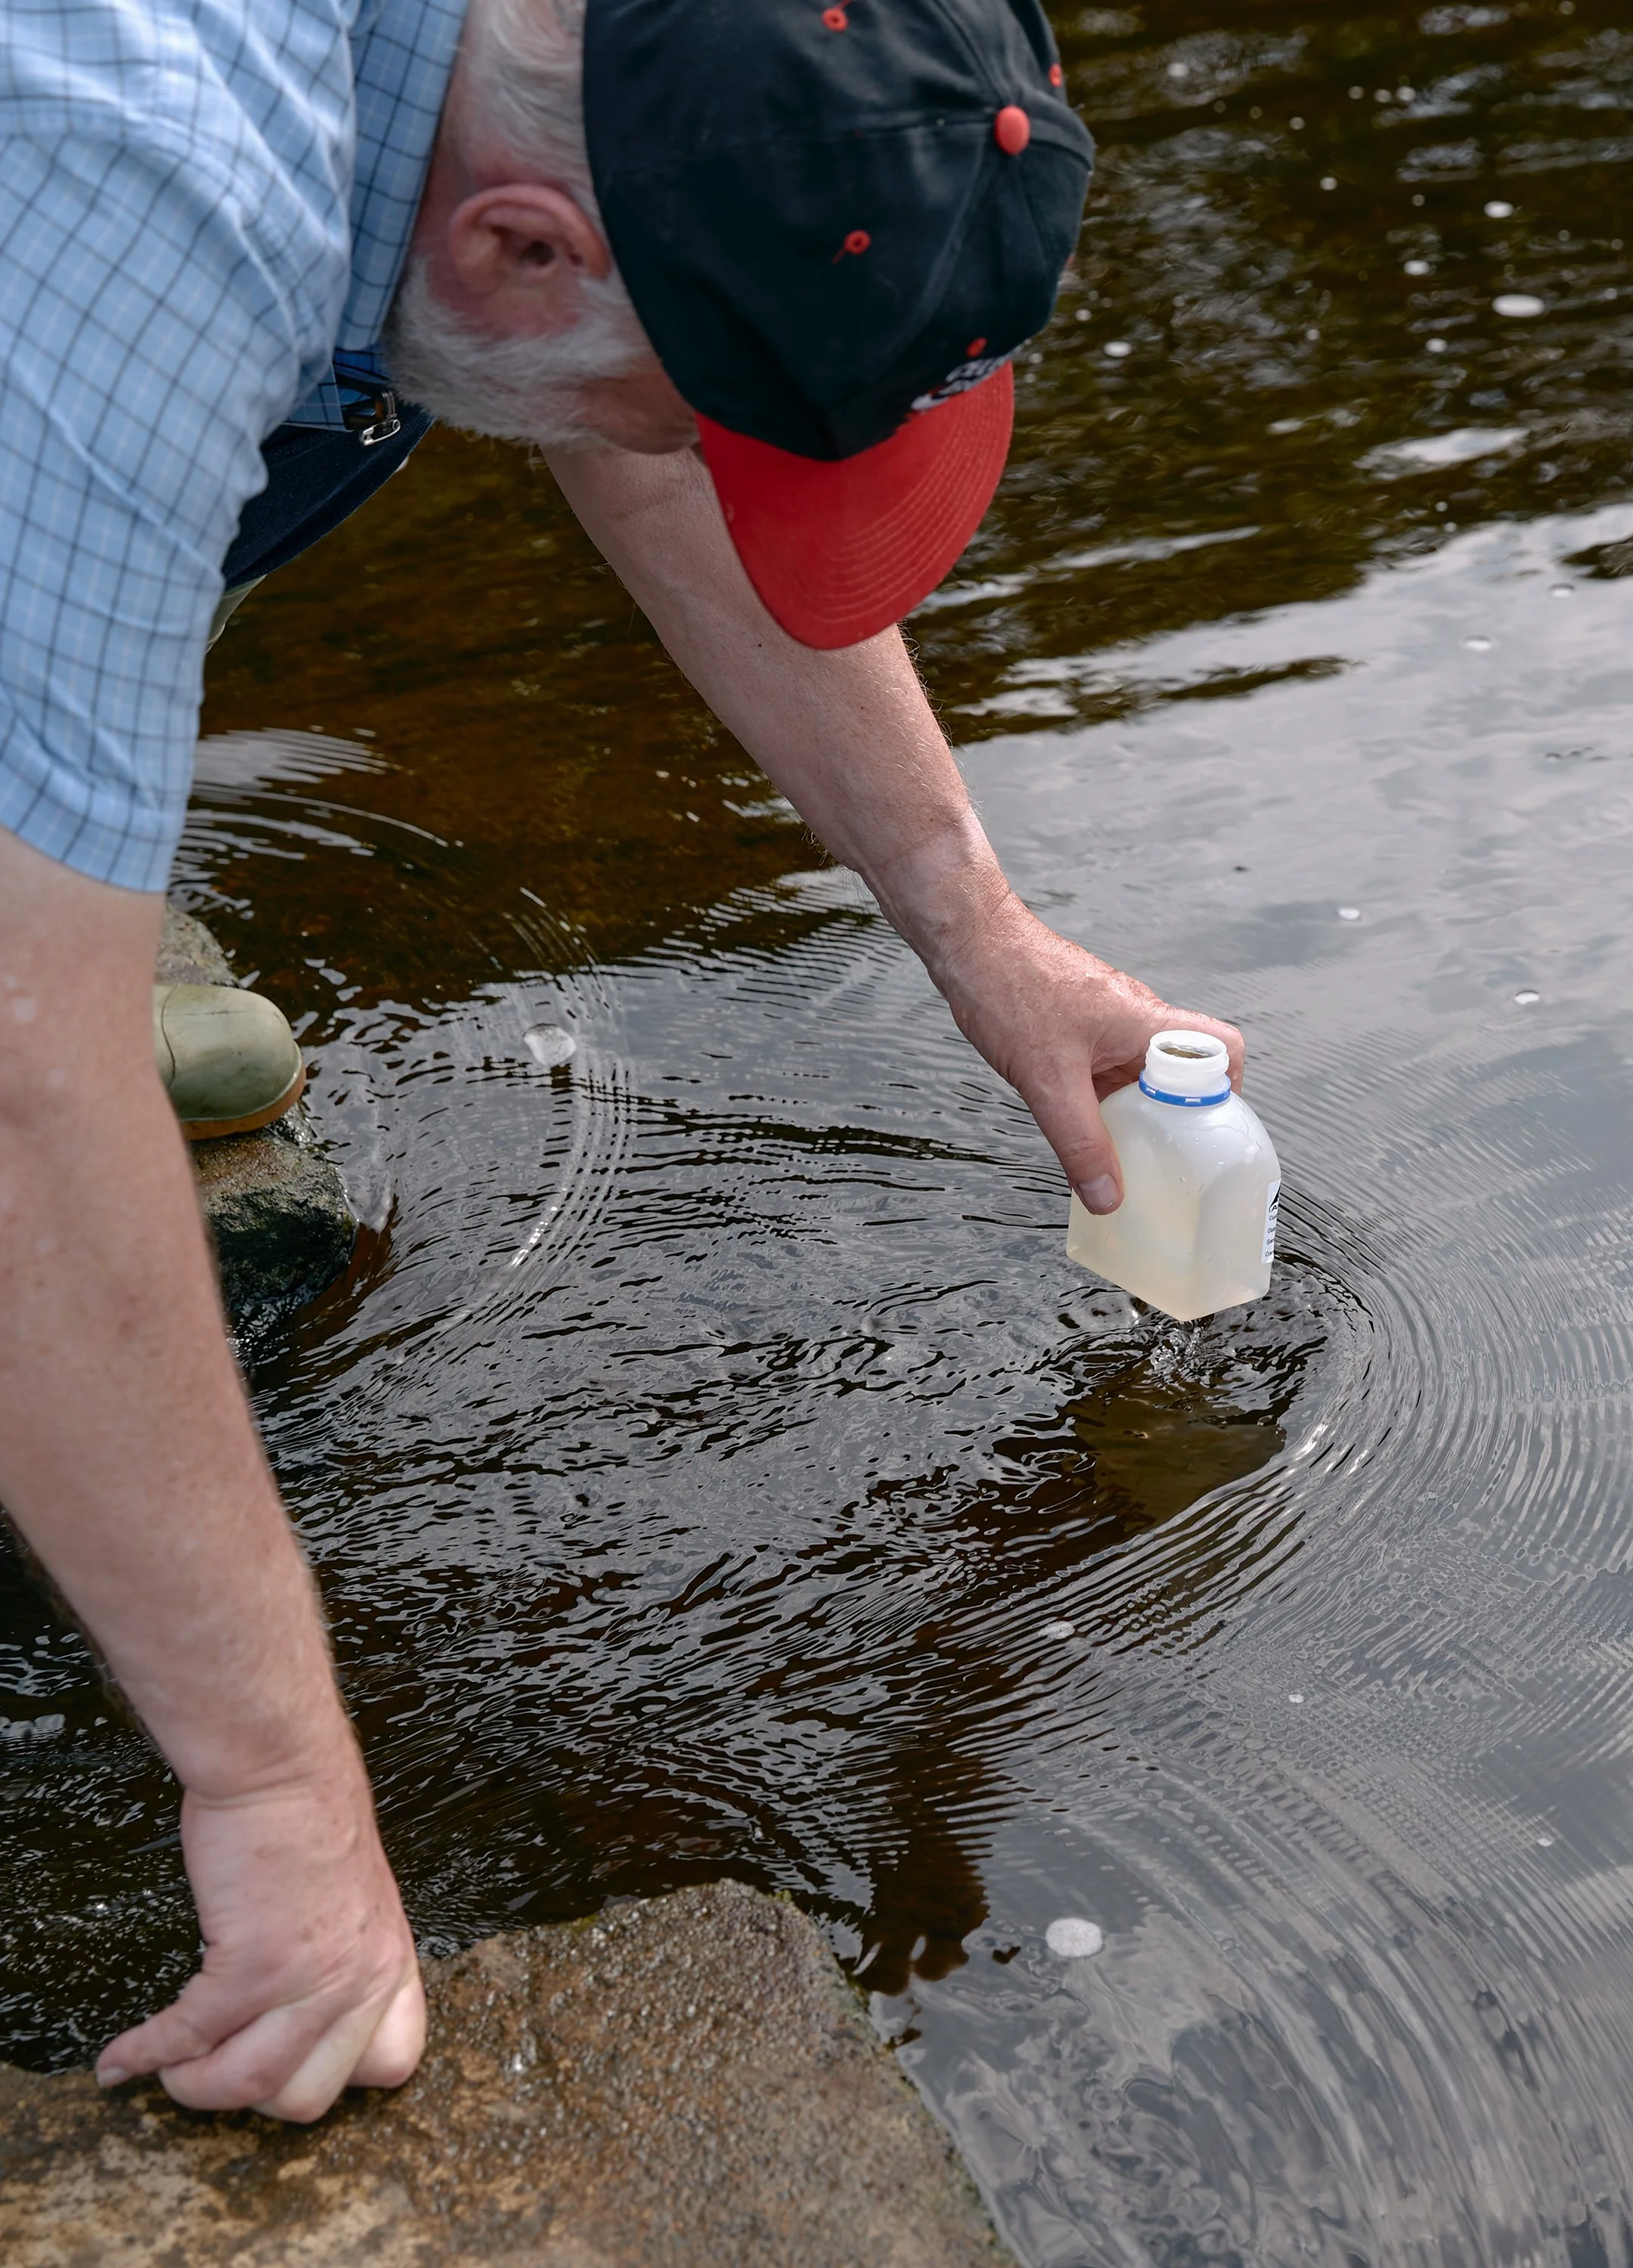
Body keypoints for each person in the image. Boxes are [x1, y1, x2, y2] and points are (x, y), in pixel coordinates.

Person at [0, 0, 1244, 2121]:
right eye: (713, 427)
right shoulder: (132, 198)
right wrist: (281, 1794)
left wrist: (980, 931)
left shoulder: (590, 71)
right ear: (518, 248)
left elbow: (607, 406)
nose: (693, 463)